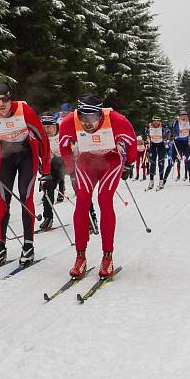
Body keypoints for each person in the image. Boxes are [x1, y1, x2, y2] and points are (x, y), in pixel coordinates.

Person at [59, 95, 137, 279]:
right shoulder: (70, 122)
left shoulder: (117, 120)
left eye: (93, 116)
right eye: (83, 116)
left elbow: (132, 142)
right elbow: (64, 147)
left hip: (111, 161)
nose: (87, 122)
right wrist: (70, 170)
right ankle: (80, 256)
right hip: (87, 161)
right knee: (82, 201)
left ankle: (107, 256)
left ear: (101, 114)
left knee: (104, 199)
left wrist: (129, 163)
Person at [0, 82, 51, 267]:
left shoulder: (25, 111)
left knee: (26, 196)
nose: (1, 104)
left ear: (11, 98)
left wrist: (46, 172)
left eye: (5, 100)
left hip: (26, 154)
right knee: (2, 199)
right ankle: (0, 246)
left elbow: (43, 140)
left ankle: (28, 245)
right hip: (5, 156)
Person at [39, 113, 65, 230]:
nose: (46, 130)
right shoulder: (42, 137)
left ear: (55, 125)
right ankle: (48, 217)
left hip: (69, 162)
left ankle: (90, 215)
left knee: (81, 190)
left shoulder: (63, 133)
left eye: (49, 126)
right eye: (43, 127)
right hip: (53, 166)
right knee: (48, 187)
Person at [171, 110, 190, 185]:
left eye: (185, 115)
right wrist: (172, 135)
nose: (184, 117)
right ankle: (165, 179)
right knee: (174, 160)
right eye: (182, 115)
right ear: (180, 116)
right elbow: (170, 128)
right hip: (177, 144)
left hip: (186, 144)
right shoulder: (176, 122)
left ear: (187, 116)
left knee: (189, 159)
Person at [144, 115, 170, 190]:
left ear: (160, 121)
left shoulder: (163, 126)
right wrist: (146, 140)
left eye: (158, 120)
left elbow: (169, 133)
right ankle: (151, 181)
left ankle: (161, 181)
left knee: (161, 163)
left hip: (161, 145)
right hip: (152, 145)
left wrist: (168, 139)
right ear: (152, 121)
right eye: (154, 120)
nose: (156, 122)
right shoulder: (148, 126)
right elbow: (145, 133)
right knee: (152, 163)